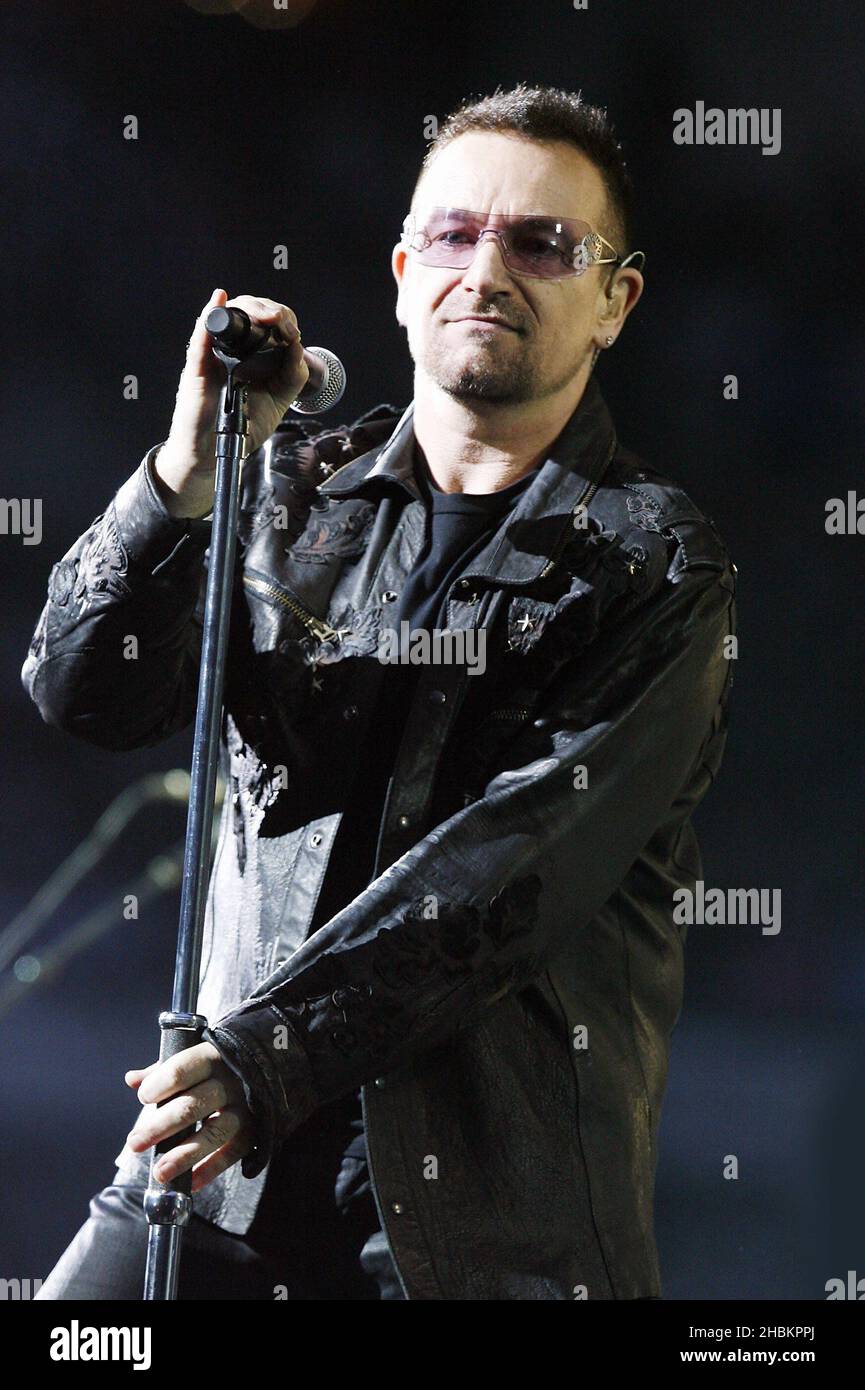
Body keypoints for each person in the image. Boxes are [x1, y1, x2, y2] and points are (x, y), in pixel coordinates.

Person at [23, 83, 736, 1300]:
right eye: (454, 235)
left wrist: (260, 1058)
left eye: (540, 243)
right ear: (405, 271)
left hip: (478, 1243)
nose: (486, 269)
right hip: (210, 1193)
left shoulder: (655, 567)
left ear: (614, 300)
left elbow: (504, 873)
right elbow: (83, 688)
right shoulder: (289, 495)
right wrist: (190, 466)